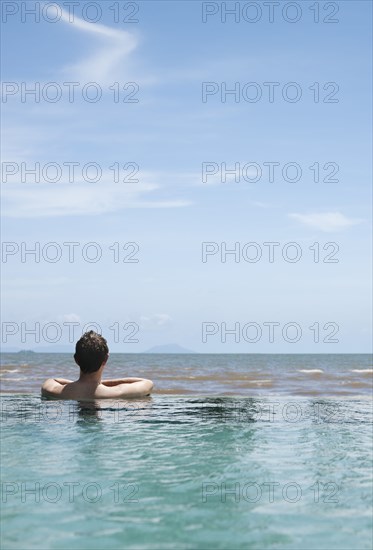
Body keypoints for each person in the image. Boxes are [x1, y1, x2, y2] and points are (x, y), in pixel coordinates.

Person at [41, 331, 153, 400]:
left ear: (76, 359)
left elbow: (51, 380)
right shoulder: (115, 392)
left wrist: (80, 384)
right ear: (106, 359)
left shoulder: (55, 391)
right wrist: (100, 383)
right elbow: (148, 383)